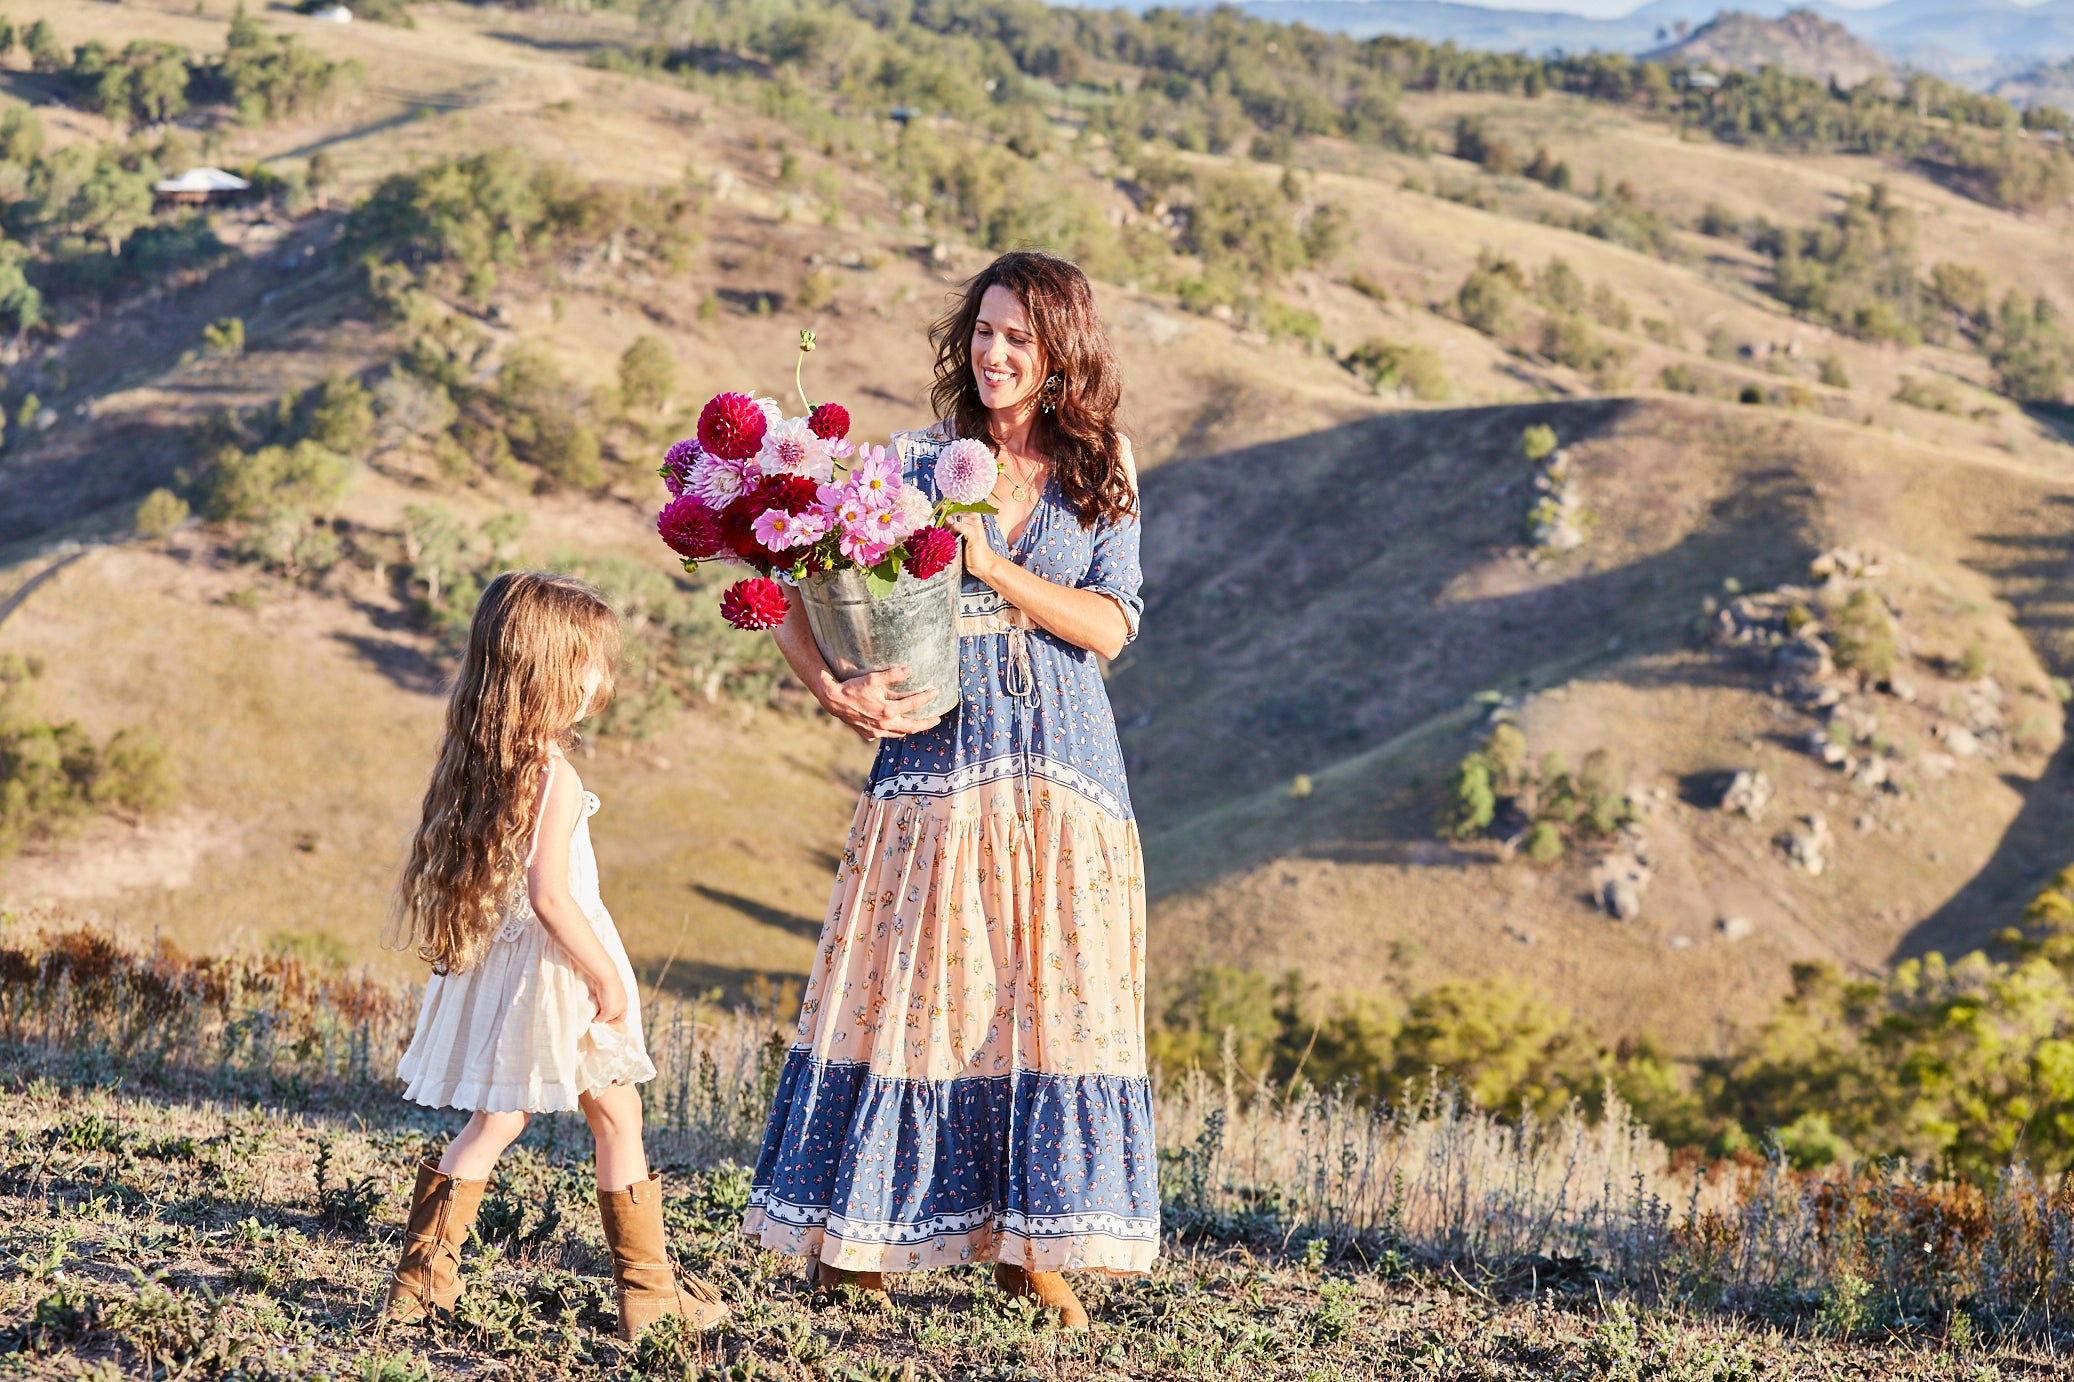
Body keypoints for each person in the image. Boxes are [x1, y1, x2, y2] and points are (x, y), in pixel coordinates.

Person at [745, 250, 1157, 1328]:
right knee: (919, 995)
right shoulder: (916, 460)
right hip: (939, 767)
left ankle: (1031, 1242)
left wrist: (994, 570)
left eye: (1019, 335)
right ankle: (858, 1242)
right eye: (983, 329)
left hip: (1065, 773)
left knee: (1048, 1006)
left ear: (1063, 351)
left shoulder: (1100, 463)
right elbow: (795, 579)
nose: (995, 351)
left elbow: (1112, 623)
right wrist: (837, 688)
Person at [382, 571, 728, 1339]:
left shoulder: (483, 763)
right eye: (591, 664)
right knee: (614, 1116)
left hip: (513, 974)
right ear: (549, 676)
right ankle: (649, 1300)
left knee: (501, 1119)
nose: (604, 679)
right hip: (559, 973)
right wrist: (606, 973)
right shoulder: (554, 775)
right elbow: (550, 897)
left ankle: (418, 1288)